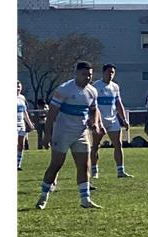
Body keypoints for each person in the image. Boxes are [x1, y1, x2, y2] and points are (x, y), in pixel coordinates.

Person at [35, 62, 105, 210]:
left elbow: (94, 110)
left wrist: (96, 123)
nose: (87, 78)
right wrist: (47, 135)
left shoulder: (92, 91)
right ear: (76, 74)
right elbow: (52, 114)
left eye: (90, 75)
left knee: (84, 165)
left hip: (81, 133)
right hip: (62, 133)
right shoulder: (64, 90)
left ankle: (85, 199)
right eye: (84, 75)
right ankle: (43, 196)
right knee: (56, 165)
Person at [90, 64, 133, 178]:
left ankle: (120, 170)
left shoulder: (115, 87)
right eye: (108, 72)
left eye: (112, 72)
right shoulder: (96, 86)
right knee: (95, 146)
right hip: (100, 121)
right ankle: (94, 171)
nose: (110, 74)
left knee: (118, 144)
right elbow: (92, 106)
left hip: (113, 120)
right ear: (103, 72)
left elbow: (118, 103)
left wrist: (124, 119)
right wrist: (95, 121)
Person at [17, 81, 32, 171]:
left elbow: (25, 112)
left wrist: (29, 123)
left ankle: (18, 164)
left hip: (21, 124)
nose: (17, 88)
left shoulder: (22, 98)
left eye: (19, 86)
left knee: (21, 144)